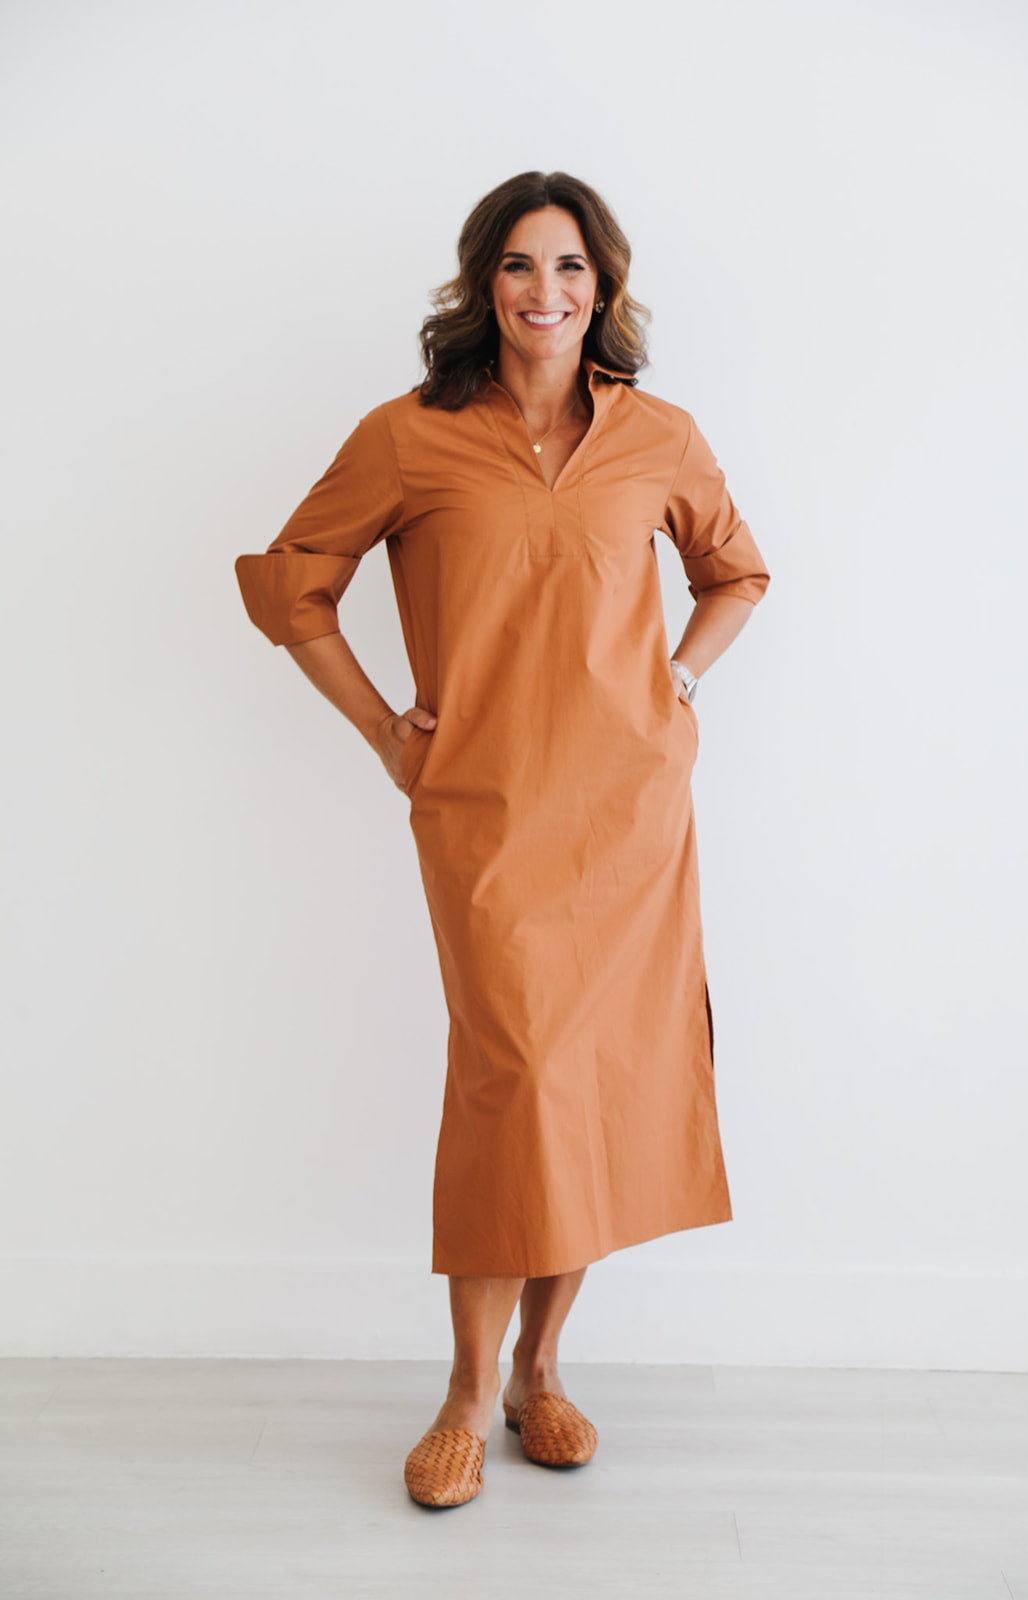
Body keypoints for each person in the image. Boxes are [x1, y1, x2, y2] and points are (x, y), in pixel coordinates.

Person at [234, 170, 771, 1509]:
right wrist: (380, 728)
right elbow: (293, 582)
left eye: (571, 268)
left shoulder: (657, 436)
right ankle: (466, 1394)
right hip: (481, 810)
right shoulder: (411, 437)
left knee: (584, 1087)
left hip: (630, 812)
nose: (547, 293)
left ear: (604, 286)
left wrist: (681, 684)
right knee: (516, 1078)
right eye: (522, 267)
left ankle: (540, 1373)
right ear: (483, 285)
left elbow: (735, 570)